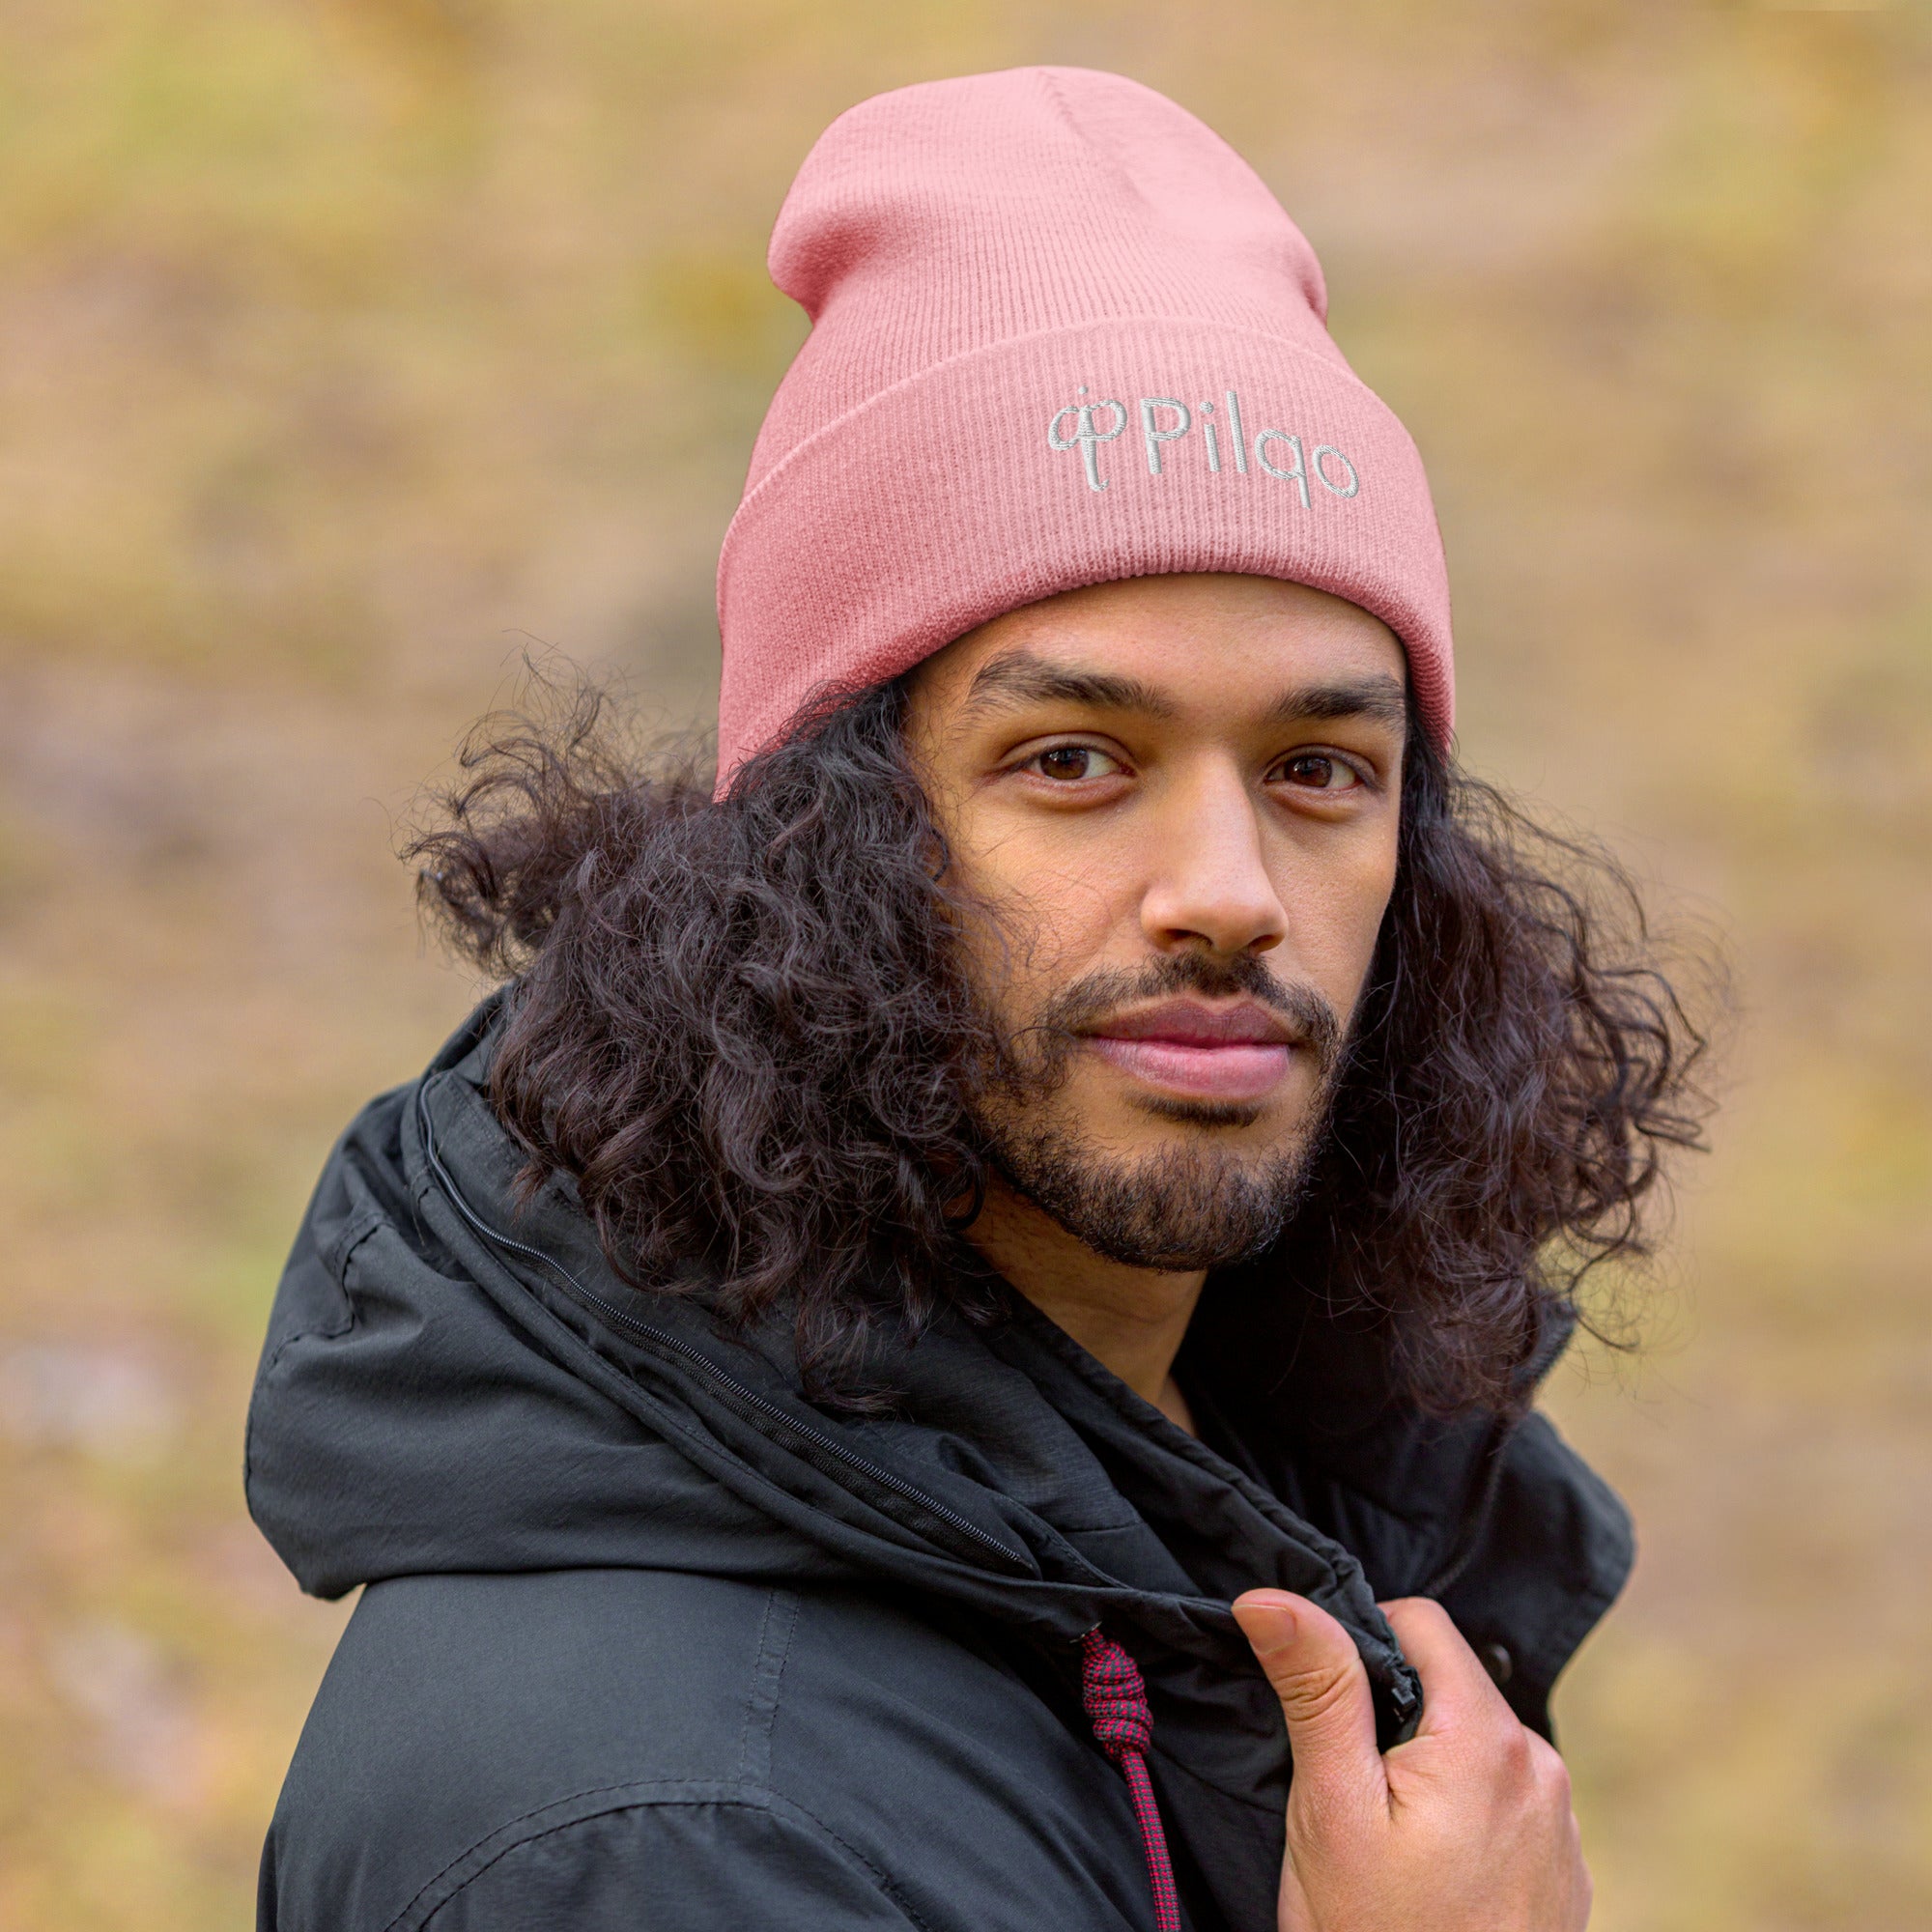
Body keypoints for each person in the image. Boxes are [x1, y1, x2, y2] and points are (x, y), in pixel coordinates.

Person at [248, 67, 1709, 1932]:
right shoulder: (666, 1834)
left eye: (1320, 769)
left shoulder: (1241, 1485)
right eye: (1075, 760)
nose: (1230, 896)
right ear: (823, 848)